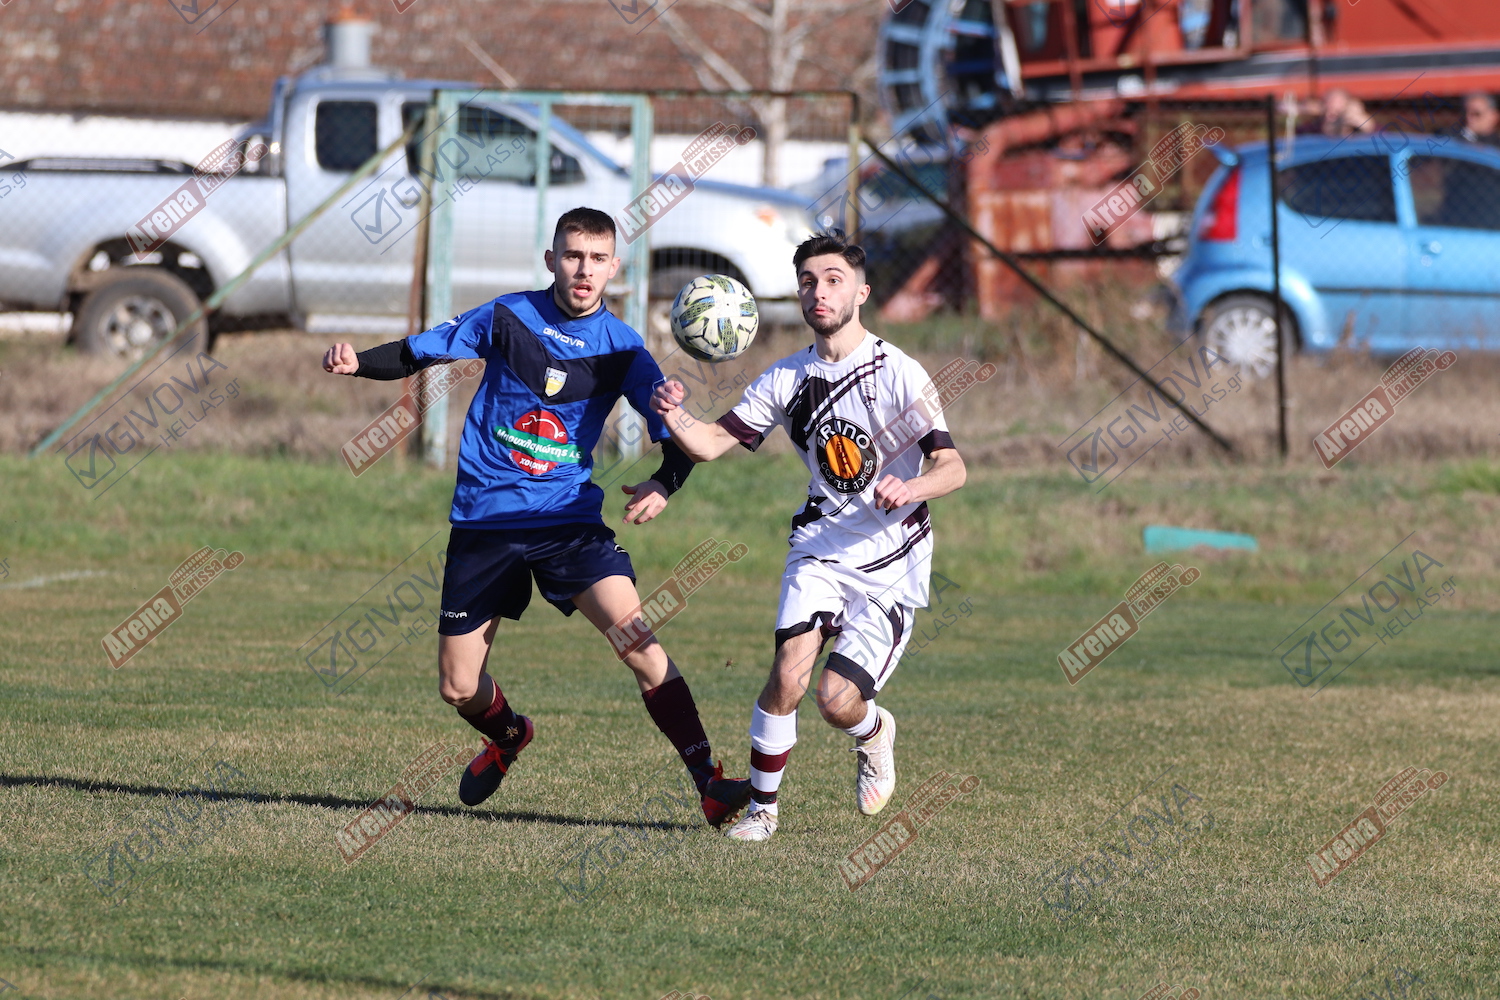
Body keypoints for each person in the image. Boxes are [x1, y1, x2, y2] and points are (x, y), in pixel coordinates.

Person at [321, 207, 752, 828]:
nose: (584, 270)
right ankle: (509, 736)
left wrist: (664, 483)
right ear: (552, 260)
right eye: (573, 256)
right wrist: (357, 361)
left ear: (614, 267)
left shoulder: (625, 350)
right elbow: (418, 352)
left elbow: (679, 439)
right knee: (457, 686)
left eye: (597, 259)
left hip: (567, 521)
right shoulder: (506, 317)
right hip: (485, 520)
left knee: (637, 641)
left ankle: (709, 782)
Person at [651, 230, 968, 843]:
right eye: (807, 282)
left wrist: (912, 487)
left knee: (835, 700)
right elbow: (710, 443)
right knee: (787, 678)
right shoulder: (787, 377)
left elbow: (953, 468)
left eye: (832, 280)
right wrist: (674, 413)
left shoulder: (900, 372)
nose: (818, 292)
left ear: (861, 293)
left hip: (891, 561)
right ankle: (762, 812)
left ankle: (874, 732)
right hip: (820, 549)